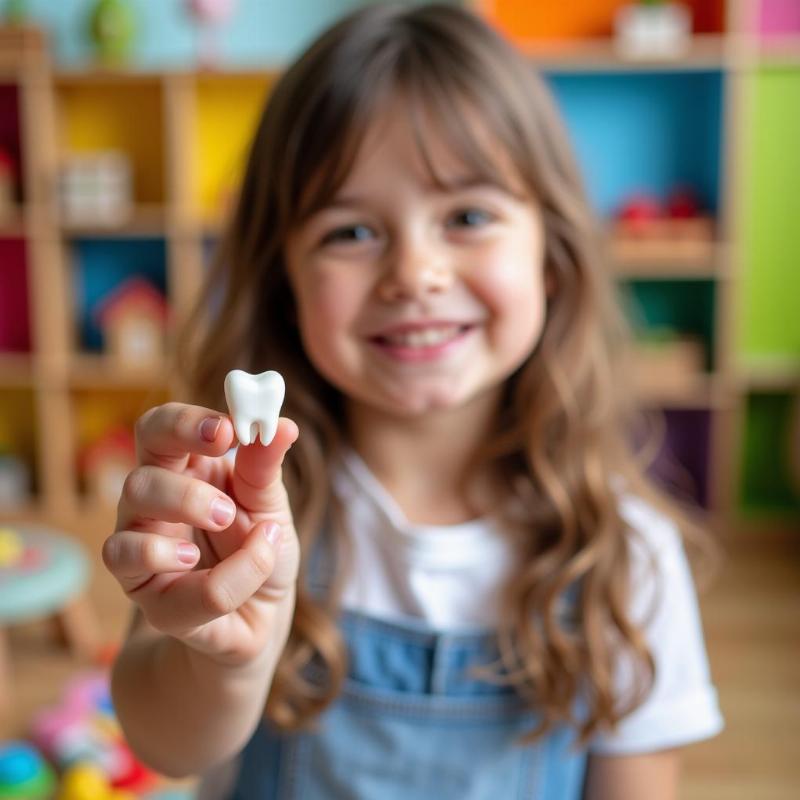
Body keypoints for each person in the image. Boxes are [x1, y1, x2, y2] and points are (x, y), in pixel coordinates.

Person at [102, 4, 724, 798]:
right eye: (351, 232)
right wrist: (231, 660)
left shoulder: (627, 558)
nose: (416, 273)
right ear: (283, 282)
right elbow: (167, 747)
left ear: (553, 260)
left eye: (467, 216)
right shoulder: (230, 510)